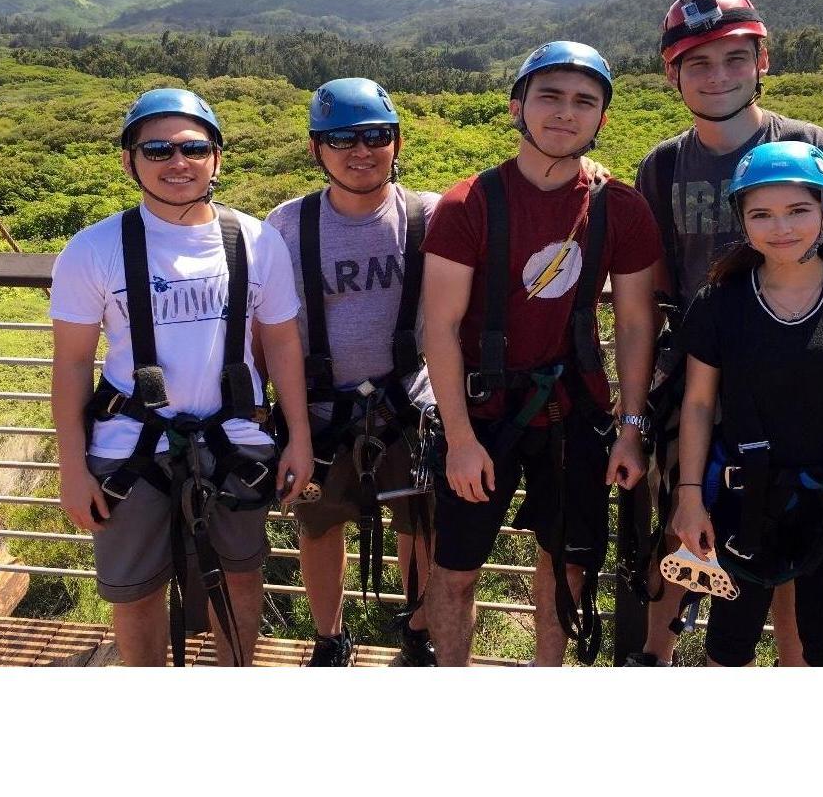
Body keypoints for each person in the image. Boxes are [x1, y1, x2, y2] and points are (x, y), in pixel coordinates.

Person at [632, 0, 823, 666]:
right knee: (678, 539)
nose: (719, 77)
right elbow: (649, 293)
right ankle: (660, 661)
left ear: (762, 61)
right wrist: (636, 412)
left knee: (792, 539)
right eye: (699, 63)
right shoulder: (663, 166)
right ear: (672, 73)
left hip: (799, 391)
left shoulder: (818, 150)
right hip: (693, 388)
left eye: (735, 59)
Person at [51, 87, 314, 666]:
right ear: (129, 161)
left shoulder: (256, 240)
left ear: (216, 158)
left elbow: (282, 341)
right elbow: (71, 363)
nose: (178, 162)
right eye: (157, 150)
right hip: (130, 446)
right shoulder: (92, 250)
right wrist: (71, 467)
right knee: (136, 593)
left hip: (234, 438)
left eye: (194, 148)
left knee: (243, 579)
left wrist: (299, 435)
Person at [421, 41, 662, 666]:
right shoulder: (466, 206)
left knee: (567, 562)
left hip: (575, 412)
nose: (565, 113)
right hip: (483, 412)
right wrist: (458, 440)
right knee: (455, 567)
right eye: (549, 96)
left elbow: (638, 323)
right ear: (516, 107)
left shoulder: (621, 207)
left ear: (602, 119)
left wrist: (631, 430)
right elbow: (440, 328)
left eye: (584, 101)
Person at [671, 141, 823, 666]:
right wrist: (690, 495)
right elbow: (699, 405)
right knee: (728, 648)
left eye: (799, 210)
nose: (781, 228)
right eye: (762, 214)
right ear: (743, 221)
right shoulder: (721, 302)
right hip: (742, 499)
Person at [265, 77, 440, 666]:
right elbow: (270, 328)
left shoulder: (430, 216)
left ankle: (417, 632)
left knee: (418, 524)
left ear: (396, 142)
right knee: (319, 528)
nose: (361, 150)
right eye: (341, 139)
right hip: (320, 412)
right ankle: (328, 637)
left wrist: (586, 172)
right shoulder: (287, 227)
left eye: (375, 136)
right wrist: (290, 420)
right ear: (317, 149)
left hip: (409, 402)